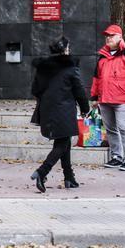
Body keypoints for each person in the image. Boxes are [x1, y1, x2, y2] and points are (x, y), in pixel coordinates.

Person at [29, 36, 91, 192]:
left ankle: (69, 178)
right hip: (63, 111)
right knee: (62, 144)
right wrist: (85, 108)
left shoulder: (43, 68)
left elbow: (35, 90)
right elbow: (79, 91)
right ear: (65, 50)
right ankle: (42, 172)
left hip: (46, 110)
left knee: (64, 142)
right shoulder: (70, 68)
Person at [90, 24, 125, 171]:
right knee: (110, 129)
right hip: (105, 99)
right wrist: (94, 97)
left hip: (122, 99)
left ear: (120, 37)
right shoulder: (102, 57)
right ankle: (116, 157)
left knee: (123, 128)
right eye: (107, 36)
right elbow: (97, 79)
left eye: (112, 35)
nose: (108, 38)